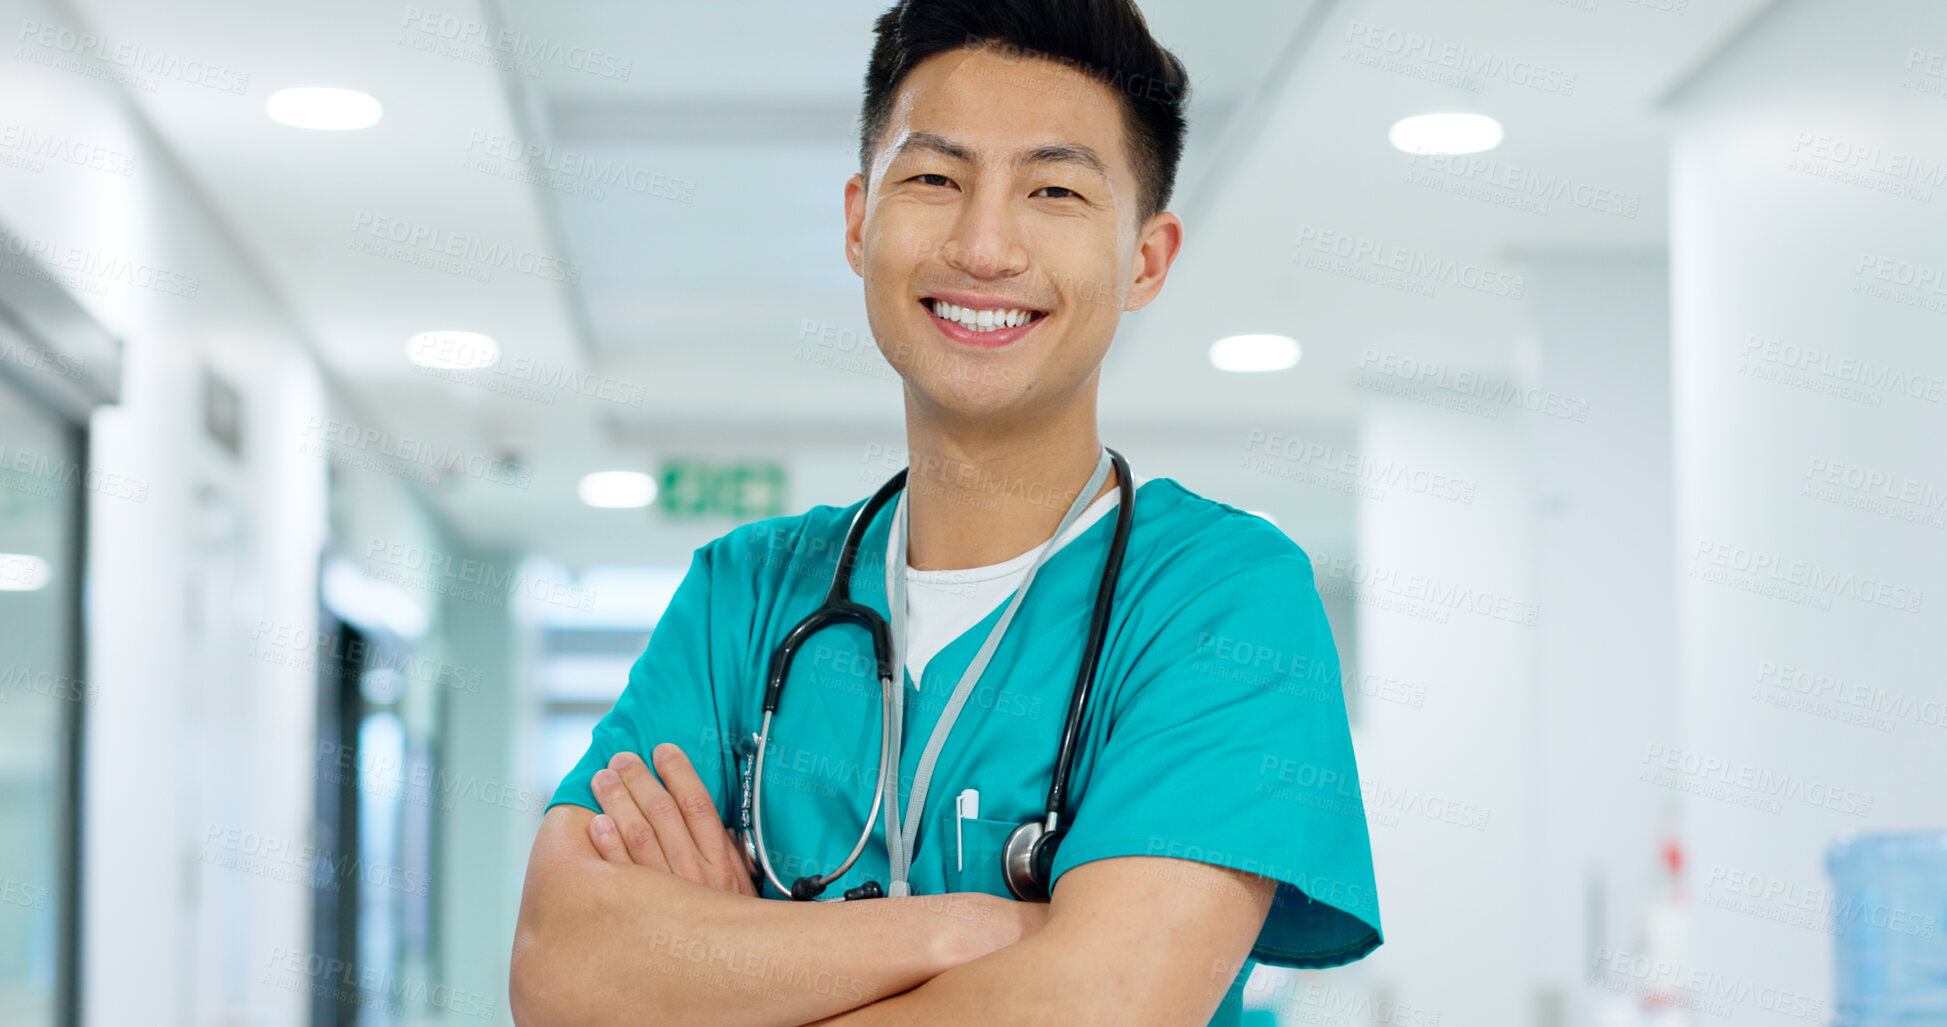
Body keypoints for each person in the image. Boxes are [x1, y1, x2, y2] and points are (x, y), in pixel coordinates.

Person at [509, 0, 1382, 1023]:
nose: (983, 245)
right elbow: (563, 968)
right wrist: (976, 930)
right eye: (934, 178)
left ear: (1146, 257)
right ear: (856, 218)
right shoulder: (741, 598)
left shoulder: (1222, 601)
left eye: (1053, 188)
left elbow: (1104, 1005)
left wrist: (733, 967)